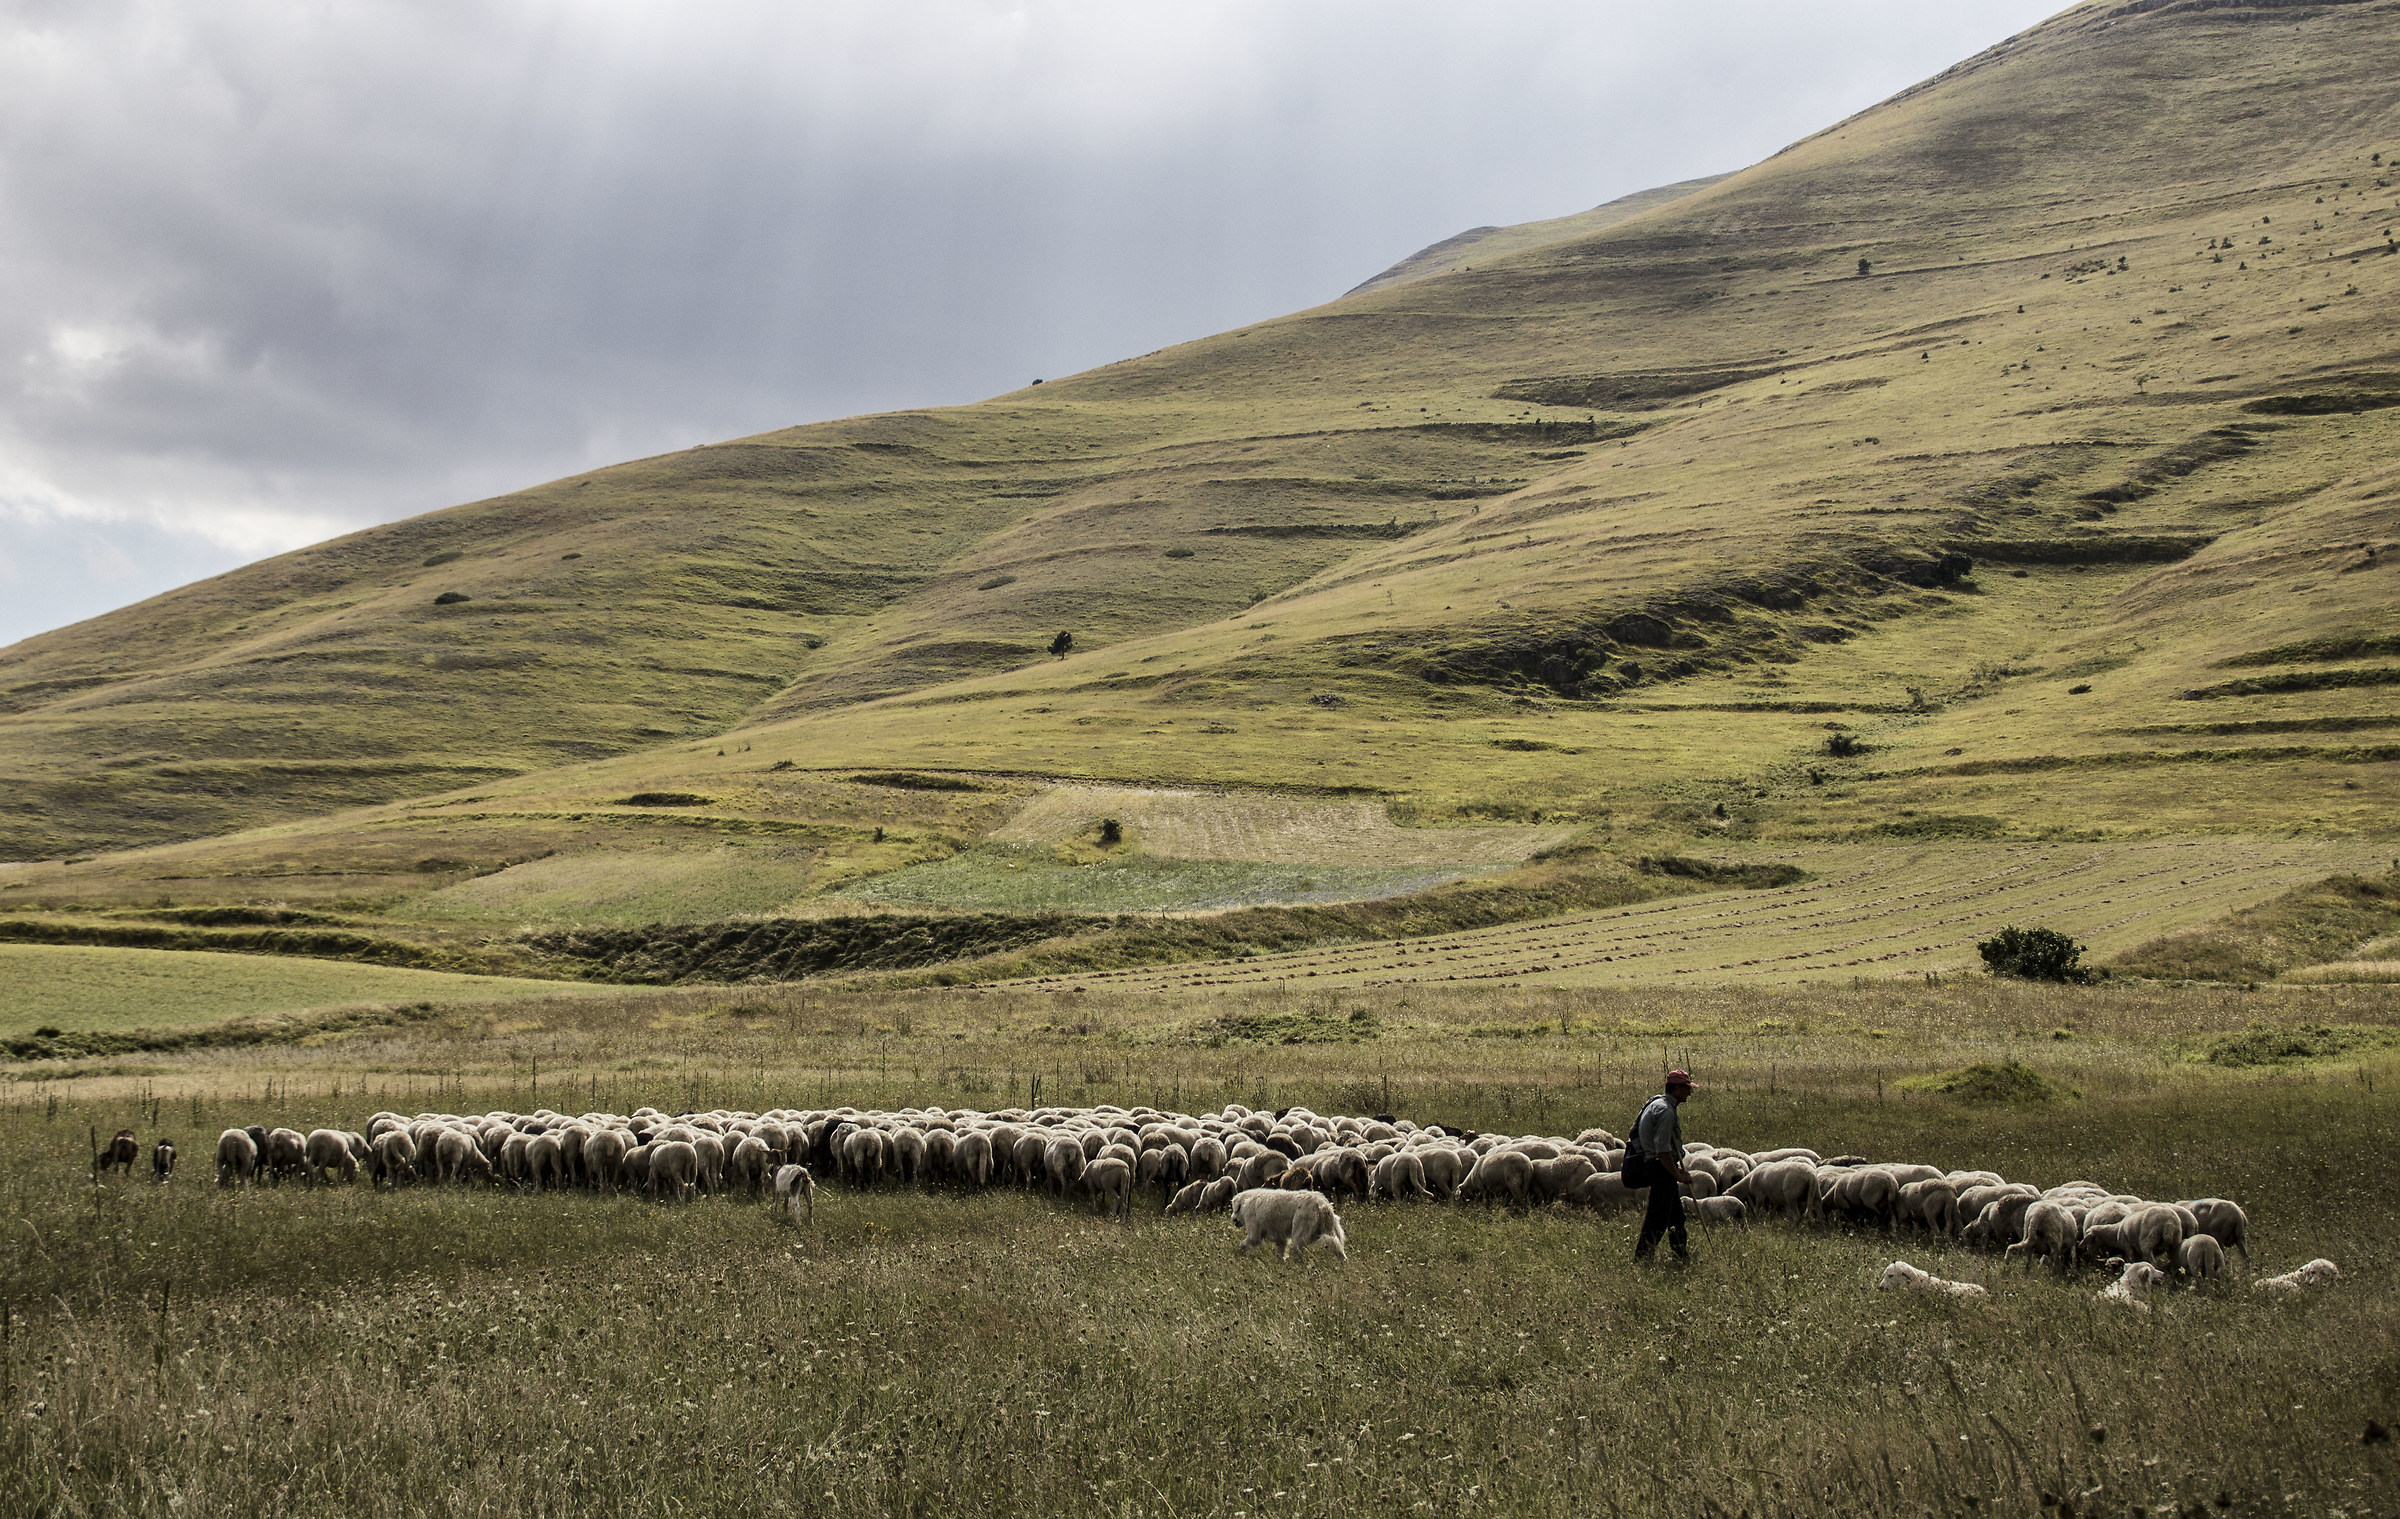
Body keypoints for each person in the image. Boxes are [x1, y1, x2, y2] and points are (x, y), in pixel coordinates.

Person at [1630, 1070, 1694, 1265]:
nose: (1689, 1093)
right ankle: (1642, 1258)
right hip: (1660, 1168)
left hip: (1660, 1166)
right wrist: (1677, 1174)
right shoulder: (1665, 1111)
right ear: (1676, 1088)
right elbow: (1662, 1150)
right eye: (1686, 1088)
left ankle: (1681, 1256)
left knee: (1676, 1216)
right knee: (1658, 1216)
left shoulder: (1657, 1104)